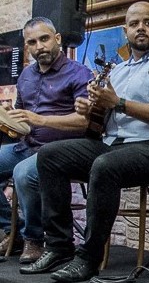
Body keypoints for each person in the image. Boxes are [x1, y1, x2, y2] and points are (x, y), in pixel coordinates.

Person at [20, 1, 149, 282]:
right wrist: (90, 111)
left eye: (148, 23)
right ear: (125, 30)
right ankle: (59, 246)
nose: (141, 28)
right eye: (134, 24)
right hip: (118, 145)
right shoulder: (119, 70)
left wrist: (119, 103)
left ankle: (88, 257)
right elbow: (105, 120)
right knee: (51, 155)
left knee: (105, 164)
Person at [0, 17, 92, 264]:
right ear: (27, 46)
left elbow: (83, 122)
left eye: (44, 39)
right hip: (27, 145)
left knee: (23, 173)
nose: (39, 46)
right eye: (32, 42)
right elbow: (21, 120)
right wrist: (8, 122)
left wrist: (39, 120)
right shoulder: (26, 76)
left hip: (62, 150)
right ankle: (13, 230)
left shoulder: (79, 73)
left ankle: (34, 239)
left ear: (58, 39)